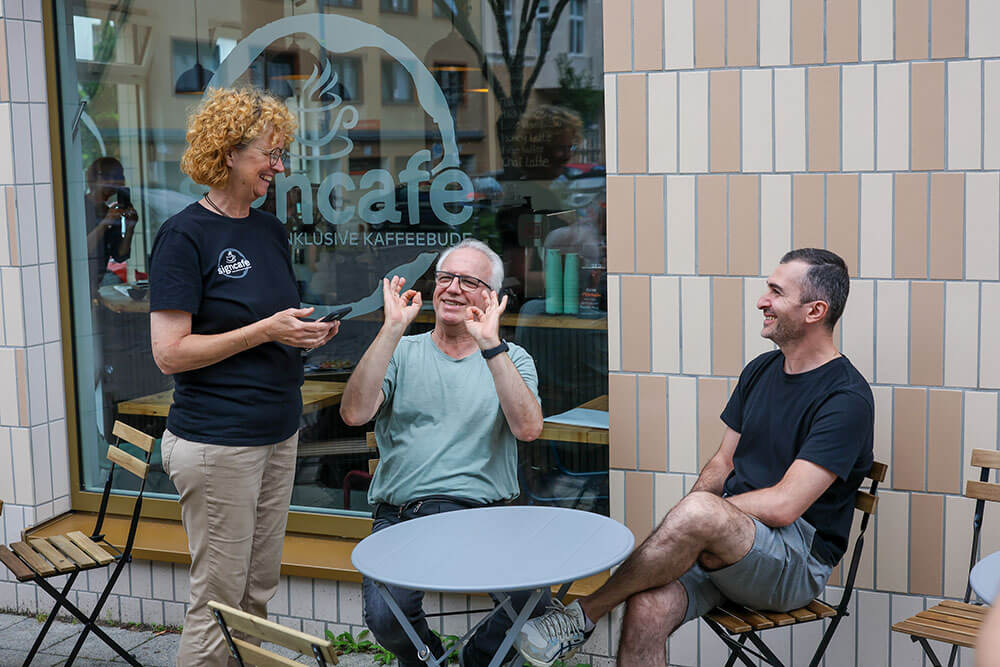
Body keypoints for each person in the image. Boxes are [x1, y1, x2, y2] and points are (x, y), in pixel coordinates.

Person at [516, 248, 875, 667]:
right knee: (646, 610)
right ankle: (598, 609)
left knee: (702, 512)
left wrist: (702, 518)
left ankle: (583, 615)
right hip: (731, 548)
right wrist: (696, 524)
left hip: (794, 561)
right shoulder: (760, 370)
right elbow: (724, 463)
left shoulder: (846, 398)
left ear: (815, 310)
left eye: (776, 293)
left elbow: (785, 505)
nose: (762, 301)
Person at [148, 87, 340, 666]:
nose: (278, 168)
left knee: (255, 594)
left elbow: (273, 322)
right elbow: (170, 354)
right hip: (216, 443)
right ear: (228, 152)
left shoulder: (267, 231)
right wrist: (264, 330)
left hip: (277, 434)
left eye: (281, 155)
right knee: (218, 603)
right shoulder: (184, 237)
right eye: (268, 154)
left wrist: (304, 333)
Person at [339, 238, 549, 667]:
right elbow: (354, 413)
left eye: (468, 281)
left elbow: (528, 429)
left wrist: (491, 345)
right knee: (384, 616)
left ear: (492, 298)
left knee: (534, 600)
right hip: (403, 516)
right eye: (444, 278)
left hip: (488, 517)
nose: (451, 289)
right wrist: (391, 328)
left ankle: (474, 662)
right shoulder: (401, 351)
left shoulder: (513, 359)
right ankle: (428, 659)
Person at [85, 157, 138, 294]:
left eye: (118, 178)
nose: (112, 187)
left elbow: (120, 255)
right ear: (95, 180)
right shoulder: (81, 207)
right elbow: (81, 251)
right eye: (108, 179)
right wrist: (105, 223)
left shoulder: (109, 211)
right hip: (81, 281)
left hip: (97, 285)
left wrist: (130, 226)